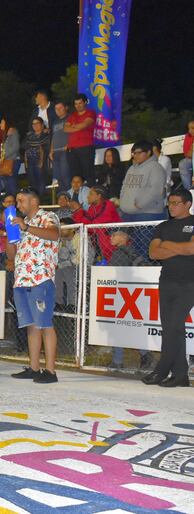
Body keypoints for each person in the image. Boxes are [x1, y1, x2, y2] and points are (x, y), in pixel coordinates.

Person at [7, 188, 61, 383]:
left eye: (21, 201)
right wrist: (8, 238)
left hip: (40, 279)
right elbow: (12, 256)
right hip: (22, 279)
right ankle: (34, 367)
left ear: (34, 201)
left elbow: (54, 234)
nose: (18, 205)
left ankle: (51, 371)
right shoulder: (23, 224)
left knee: (44, 323)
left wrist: (25, 228)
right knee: (31, 325)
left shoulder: (47, 216)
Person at [142, 189, 194, 387]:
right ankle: (181, 374)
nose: (171, 206)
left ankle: (161, 370)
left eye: (176, 203)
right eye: (169, 203)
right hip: (167, 281)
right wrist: (181, 247)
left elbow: (192, 249)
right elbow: (154, 252)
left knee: (173, 326)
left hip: (190, 282)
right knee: (172, 328)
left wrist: (168, 245)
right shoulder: (163, 226)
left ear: (188, 204)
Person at [106, 229, 152, 371]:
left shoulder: (121, 252)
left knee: (121, 326)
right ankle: (124, 359)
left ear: (123, 237)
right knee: (125, 326)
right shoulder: (129, 251)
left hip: (124, 294)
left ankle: (120, 360)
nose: (110, 238)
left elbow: (114, 272)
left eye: (114, 235)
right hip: (129, 294)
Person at [119, 140, 167, 222]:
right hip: (127, 214)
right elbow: (124, 186)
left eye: (139, 152)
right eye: (134, 153)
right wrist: (122, 201)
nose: (136, 155)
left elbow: (156, 189)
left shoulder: (156, 167)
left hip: (148, 214)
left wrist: (141, 203)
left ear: (148, 152)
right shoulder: (131, 168)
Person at [70, 185, 121, 262]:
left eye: (91, 194)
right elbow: (84, 224)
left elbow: (93, 226)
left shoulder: (108, 205)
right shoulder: (92, 208)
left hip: (113, 247)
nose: (87, 196)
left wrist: (79, 210)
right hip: (100, 246)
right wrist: (77, 211)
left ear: (99, 196)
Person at [64, 93, 97, 184]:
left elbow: (85, 124)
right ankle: (77, 197)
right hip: (72, 149)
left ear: (85, 102)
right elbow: (65, 129)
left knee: (88, 174)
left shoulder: (90, 113)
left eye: (80, 103)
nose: (78, 106)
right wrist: (77, 127)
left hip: (86, 148)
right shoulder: (72, 115)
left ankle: (92, 195)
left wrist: (73, 127)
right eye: (76, 104)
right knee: (75, 176)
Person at [23, 117, 49, 197]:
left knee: (41, 181)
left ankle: (41, 200)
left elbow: (44, 149)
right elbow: (25, 148)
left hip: (40, 160)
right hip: (30, 161)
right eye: (33, 124)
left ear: (42, 125)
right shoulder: (29, 135)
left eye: (37, 123)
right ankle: (34, 199)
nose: (35, 125)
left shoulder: (45, 135)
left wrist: (41, 161)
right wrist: (26, 161)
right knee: (32, 181)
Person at [49, 101, 71, 192]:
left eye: (60, 108)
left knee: (66, 174)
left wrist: (69, 144)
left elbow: (73, 133)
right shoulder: (55, 122)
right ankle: (63, 197)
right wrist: (51, 150)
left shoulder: (70, 118)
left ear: (65, 108)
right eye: (56, 109)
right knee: (58, 177)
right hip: (55, 151)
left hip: (64, 150)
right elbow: (53, 137)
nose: (58, 110)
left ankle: (70, 195)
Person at [0, 117, 21, 197]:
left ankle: (14, 199)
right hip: (6, 162)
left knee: (11, 180)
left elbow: (15, 147)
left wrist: (4, 156)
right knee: (6, 181)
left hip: (13, 161)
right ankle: (10, 199)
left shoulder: (13, 132)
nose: (0, 125)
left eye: (2, 123)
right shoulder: (4, 135)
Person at [179, 120, 194, 190]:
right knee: (183, 163)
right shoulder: (188, 136)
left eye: (193, 128)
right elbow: (187, 153)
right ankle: (189, 190)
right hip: (191, 160)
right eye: (189, 128)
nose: (190, 130)